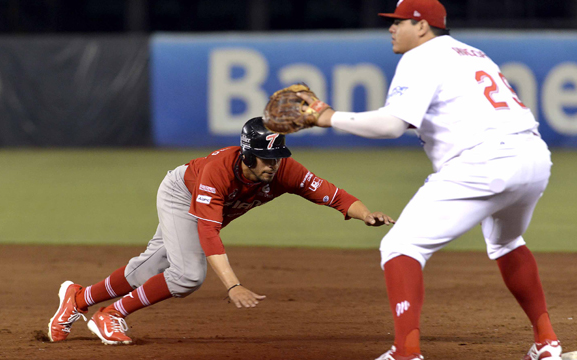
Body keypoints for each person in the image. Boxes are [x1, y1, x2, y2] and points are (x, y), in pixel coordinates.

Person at [292, 0, 561, 359]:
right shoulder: (474, 54)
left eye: (398, 22)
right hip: (533, 157)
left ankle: (407, 353)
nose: (391, 28)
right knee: (507, 241)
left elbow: (391, 125)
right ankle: (547, 343)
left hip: (483, 161)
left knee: (401, 247)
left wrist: (328, 117)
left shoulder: (421, 56)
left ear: (422, 26)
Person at [47, 116, 395, 345]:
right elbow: (209, 235)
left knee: (152, 267)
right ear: (246, 155)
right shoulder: (219, 172)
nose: (273, 166)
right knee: (187, 274)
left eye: (276, 158)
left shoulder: (283, 169)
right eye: (264, 159)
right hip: (181, 192)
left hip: (206, 205)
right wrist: (233, 284)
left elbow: (331, 194)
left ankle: (77, 299)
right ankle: (112, 314)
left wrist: (365, 214)